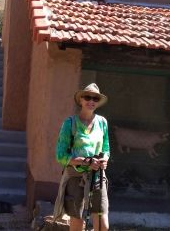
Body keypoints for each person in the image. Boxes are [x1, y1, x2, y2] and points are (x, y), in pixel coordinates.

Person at [53, 83, 110, 231]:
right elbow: (61, 156)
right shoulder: (69, 123)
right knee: (77, 223)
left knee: (103, 224)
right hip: (75, 177)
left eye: (95, 99)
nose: (91, 101)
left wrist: (104, 160)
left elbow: (106, 148)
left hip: (97, 176)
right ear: (81, 100)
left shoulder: (102, 123)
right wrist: (86, 162)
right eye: (87, 97)